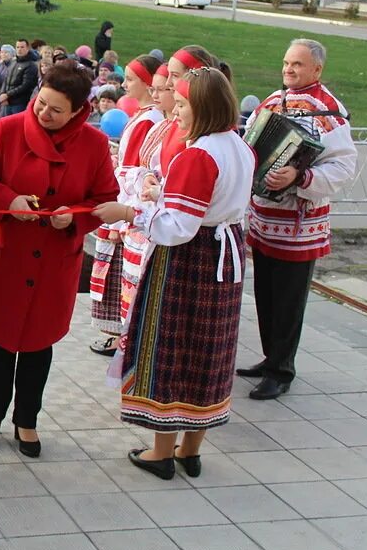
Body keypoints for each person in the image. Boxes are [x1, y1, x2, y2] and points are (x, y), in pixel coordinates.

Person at [92, 67, 254, 479]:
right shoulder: (239, 146)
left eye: (182, 104)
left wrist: (130, 211)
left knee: (170, 345)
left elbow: (177, 226)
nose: (176, 112)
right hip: (227, 256)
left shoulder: (197, 155)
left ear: (202, 107)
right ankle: (190, 449)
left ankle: (161, 451)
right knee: (209, 350)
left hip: (189, 261)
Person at [0, 60, 119, 457]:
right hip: (6, 255)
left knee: (37, 344)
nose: (45, 114)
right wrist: (7, 201)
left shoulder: (94, 145)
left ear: (79, 111)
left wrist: (73, 217)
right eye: (42, 103)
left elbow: (103, 199)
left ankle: (26, 419)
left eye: (57, 110)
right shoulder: (7, 129)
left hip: (52, 261)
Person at [238, 39, 357, 400]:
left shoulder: (330, 111)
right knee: (266, 293)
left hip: (298, 225)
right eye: (287, 63)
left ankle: (281, 369)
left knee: (289, 299)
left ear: (317, 69)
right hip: (264, 218)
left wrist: (299, 178)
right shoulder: (273, 101)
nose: (289, 69)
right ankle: (269, 357)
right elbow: (251, 144)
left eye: (298, 65)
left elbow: (343, 167)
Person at [88, 55, 162, 355]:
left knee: (123, 279)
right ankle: (117, 335)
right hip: (124, 200)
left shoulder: (149, 120)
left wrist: (120, 221)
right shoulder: (143, 115)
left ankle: (123, 337)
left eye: (130, 80)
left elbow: (138, 167)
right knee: (118, 278)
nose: (125, 84)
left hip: (130, 206)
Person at [0, 39, 38, 115]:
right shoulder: (13, 62)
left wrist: (7, 94)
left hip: (20, 103)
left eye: (22, 47)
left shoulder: (31, 65)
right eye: (17, 47)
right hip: (8, 101)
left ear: (27, 48)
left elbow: (26, 85)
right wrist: (2, 93)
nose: (19, 49)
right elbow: (6, 79)